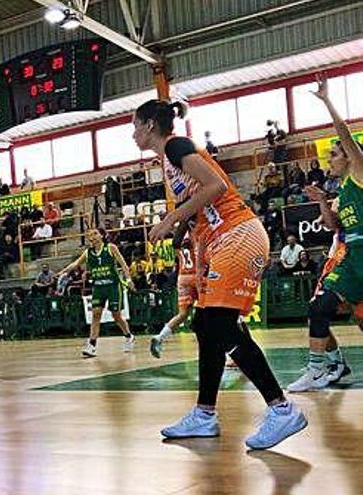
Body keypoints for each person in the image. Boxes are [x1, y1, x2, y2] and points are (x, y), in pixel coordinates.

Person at [132, 99, 306, 450]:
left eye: (135, 124)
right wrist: (179, 228)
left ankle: (282, 408)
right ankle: (204, 415)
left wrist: (170, 218)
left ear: (150, 125)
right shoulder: (168, 161)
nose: (132, 132)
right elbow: (201, 203)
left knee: (220, 326)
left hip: (237, 234)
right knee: (204, 325)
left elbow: (217, 186)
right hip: (218, 240)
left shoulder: (177, 146)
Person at [288, 75, 363, 393]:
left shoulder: (360, 173)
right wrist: (320, 200)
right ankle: (318, 370)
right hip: (353, 258)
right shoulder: (341, 190)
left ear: (349, 157)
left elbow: (346, 136)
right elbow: (333, 227)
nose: (329, 160)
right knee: (318, 307)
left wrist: (327, 102)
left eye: (333, 154)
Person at [56, 228, 135, 357]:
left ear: (102, 235)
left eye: (95, 233)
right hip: (98, 287)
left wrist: (129, 279)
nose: (91, 236)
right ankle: (91, 345)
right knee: (96, 314)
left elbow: (124, 265)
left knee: (116, 315)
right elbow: (75, 264)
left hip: (113, 286)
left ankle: (129, 335)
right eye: (89, 235)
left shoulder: (111, 248)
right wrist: (63, 271)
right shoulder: (88, 252)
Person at [150, 233, 196, 359]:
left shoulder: (178, 244)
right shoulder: (198, 239)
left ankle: (160, 337)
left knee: (182, 314)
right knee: (212, 310)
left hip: (183, 277)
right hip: (197, 276)